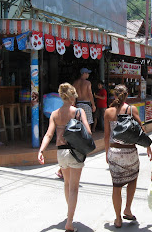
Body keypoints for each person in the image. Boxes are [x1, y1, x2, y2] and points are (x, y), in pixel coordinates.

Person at [38, 83, 91, 232]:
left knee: (67, 184)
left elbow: (49, 134)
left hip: (60, 152)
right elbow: (88, 132)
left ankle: (69, 215)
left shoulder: (55, 114)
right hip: (75, 152)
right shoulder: (79, 112)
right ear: (72, 96)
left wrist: (41, 151)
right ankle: (69, 222)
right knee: (74, 188)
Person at [104, 84, 152, 228]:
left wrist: (107, 153)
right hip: (129, 151)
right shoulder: (132, 110)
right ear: (127, 95)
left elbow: (107, 136)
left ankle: (118, 218)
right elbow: (141, 130)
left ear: (114, 95)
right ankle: (128, 209)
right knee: (132, 179)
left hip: (114, 151)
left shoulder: (108, 112)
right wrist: (148, 147)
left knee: (116, 185)